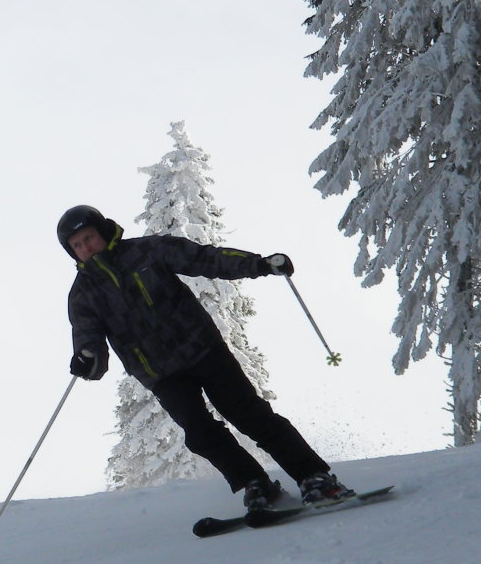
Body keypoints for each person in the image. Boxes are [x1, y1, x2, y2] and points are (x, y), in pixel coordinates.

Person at [57, 204, 353, 512]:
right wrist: (87, 359)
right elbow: (89, 341)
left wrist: (260, 264)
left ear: (103, 233)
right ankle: (257, 485)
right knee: (199, 434)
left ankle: (315, 479)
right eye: (77, 245)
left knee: (249, 414)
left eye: (88, 238)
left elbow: (205, 259)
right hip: (161, 374)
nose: (85, 248)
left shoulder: (148, 251)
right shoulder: (83, 294)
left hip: (202, 350)